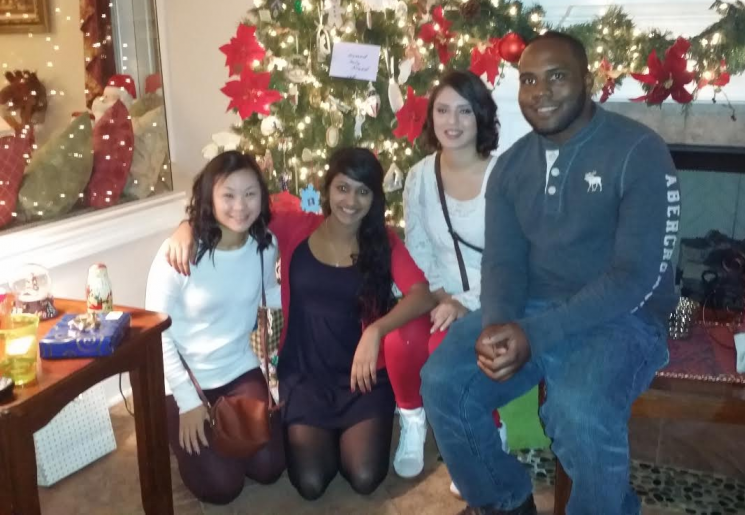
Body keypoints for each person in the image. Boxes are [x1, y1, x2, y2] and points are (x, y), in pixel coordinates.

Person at [420, 31, 680, 515]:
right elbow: (502, 262)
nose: (541, 92)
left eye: (557, 76)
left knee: (577, 410)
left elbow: (634, 276)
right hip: (530, 309)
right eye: (529, 80)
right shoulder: (511, 167)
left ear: (588, 80)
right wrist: (498, 324)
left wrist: (535, 333)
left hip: (621, 318)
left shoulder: (639, 151)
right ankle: (504, 501)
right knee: (443, 381)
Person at [165, 147, 437, 500]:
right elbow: (241, 211)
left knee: (365, 476)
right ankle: (326, 434)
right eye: (342, 188)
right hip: (304, 376)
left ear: (374, 198)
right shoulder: (296, 226)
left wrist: (376, 330)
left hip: (363, 378)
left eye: (363, 191)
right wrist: (186, 226)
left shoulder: (383, 242)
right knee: (310, 483)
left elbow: (421, 294)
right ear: (327, 188)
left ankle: (349, 433)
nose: (350, 201)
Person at [145, 151, 285, 505]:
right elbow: (155, 333)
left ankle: (215, 440)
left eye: (250, 193)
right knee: (223, 486)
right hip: (183, 378)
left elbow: (271, 294)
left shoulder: (264, 246)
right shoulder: (179, 254)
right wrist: (187, 402)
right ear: (209, 197)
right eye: (228, 195)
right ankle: (172, 429)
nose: (240, 206)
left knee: (270, 467)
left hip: (238, 367)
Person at [398, 70, 507, 488]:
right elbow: (418, 245)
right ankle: (413, 423)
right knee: (400, 339)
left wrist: (465, 303)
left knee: (446, 348)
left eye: (464, 111)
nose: (453, 121)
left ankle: (484, 435)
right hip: (437, 290)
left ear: (481, 116)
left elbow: (511, 259)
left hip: (492, 295)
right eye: (443, 110)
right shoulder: (420, 176)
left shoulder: (504, 176)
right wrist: (442, 295)